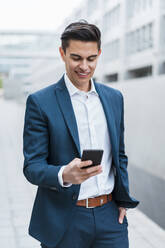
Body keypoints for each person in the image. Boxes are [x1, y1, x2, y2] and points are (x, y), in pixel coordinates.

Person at [23, 20, 139, 248]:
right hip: (66, 220)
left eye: (91, 58)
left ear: (99, 54)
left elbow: (120, 155)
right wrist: (64, 174)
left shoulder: (114, 98)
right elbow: (32, 167)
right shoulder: (40, 102)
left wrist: (123, 200)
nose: (84, 66)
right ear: (62, 53)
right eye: (76, 58)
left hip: (110, 218)